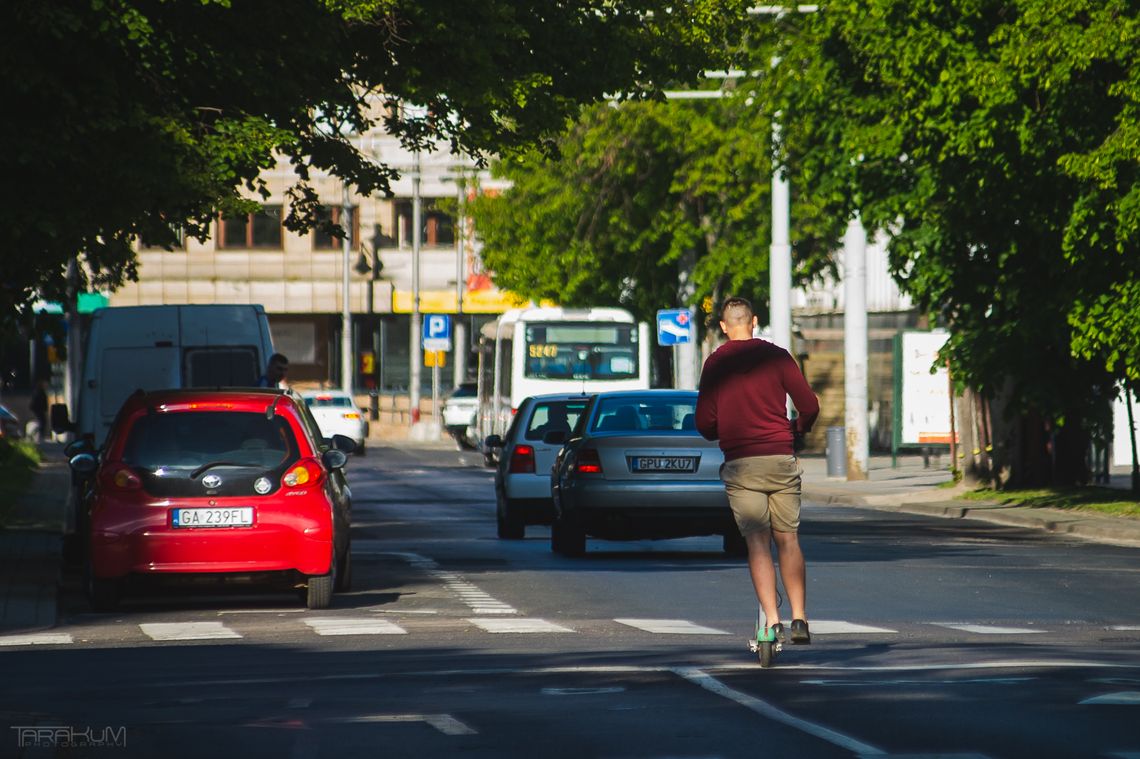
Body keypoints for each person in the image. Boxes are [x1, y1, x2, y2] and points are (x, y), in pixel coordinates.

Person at [695, 296, 820, 646]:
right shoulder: (777, 357)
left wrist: (725, 429)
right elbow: (808, 405)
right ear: (754, 321)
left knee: (757, 543)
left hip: (742, 464)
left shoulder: (716, 363)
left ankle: (774, 620)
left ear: (723, 326)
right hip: (780, 458)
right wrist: (799, 427)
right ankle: (800, 617)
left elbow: (704, 422)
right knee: (788, 538)